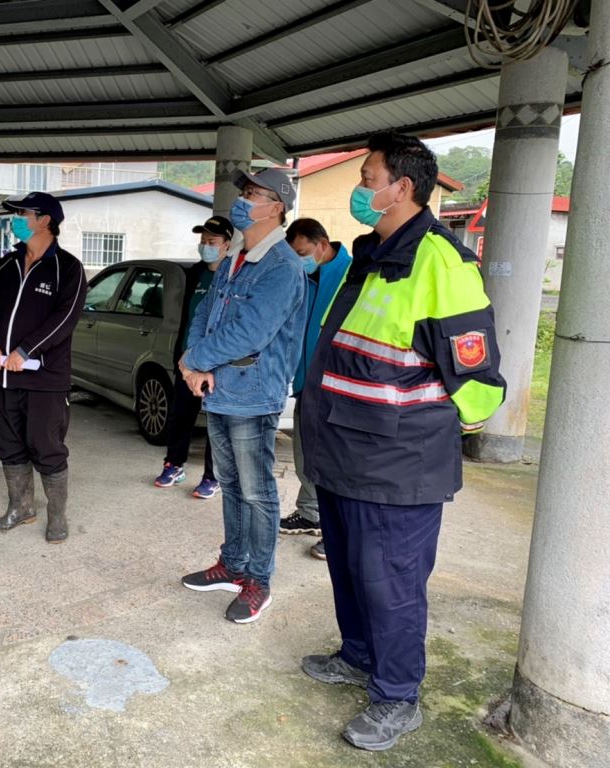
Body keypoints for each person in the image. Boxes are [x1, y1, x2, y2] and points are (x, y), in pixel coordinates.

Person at [299, 133, 506, 751]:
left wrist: (431, 428)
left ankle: (397, 696)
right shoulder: (371, 254)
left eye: (368, 178)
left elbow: (478, 382)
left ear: (402, 187)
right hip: (344, 450)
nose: (360, 189)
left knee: (391, 582)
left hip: (396, 463)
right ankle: (358, 656)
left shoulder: (441, 261)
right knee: (350, 569)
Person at [179, 168, 307, 624]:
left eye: (253, 194)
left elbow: (250, 333)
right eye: (244, 192)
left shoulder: (283, 267)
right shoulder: (236, 254)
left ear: (276, 207)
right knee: (231, 485)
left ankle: (258, 580)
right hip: (219, 388)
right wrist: (192, 360)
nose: (243, 200)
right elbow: (205, 312)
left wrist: (195, 360)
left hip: (252, 393)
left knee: (257, 491)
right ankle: (233, 564)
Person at [0, 192, 86, 543]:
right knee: (8, 445)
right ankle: (20, 507)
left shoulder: (68, 268)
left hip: (45, 380)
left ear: (45, 220)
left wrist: (26, 350)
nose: (16, 220)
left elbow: (65, 319)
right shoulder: (6, 264)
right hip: (2, 377)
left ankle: (57, 516)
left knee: (47, 447)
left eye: (23, 213)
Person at [281, 218, 352, 561]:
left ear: (322, 244)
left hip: (335, 387)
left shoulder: (352, 275)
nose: (299, 260)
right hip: (305, 382)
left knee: (334, 461)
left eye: (302, 253)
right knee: (305, 454)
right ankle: (310, 512)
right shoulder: (304, 277)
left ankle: (337, 530)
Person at [153, 215, 233, 499]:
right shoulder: (195, 273)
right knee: (180, 416)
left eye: (212, 241)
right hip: (188, 360)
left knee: (216, 422)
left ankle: (213, 476)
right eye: (203, 241)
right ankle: (174, 464)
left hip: (217, 363)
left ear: (227, 244)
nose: (205, 246)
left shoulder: (234, 275)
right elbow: (189, 316)